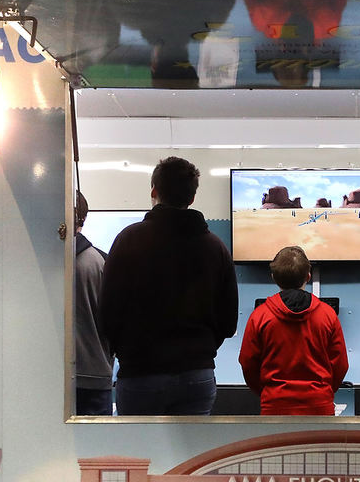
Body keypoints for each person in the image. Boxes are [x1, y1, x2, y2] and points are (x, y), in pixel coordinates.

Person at [99, 156, 239, 415]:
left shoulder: (128, 240)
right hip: (198, 374)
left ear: (154, 191)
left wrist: (125, 351)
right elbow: (229, 322)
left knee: (142, 453)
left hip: (139, 372)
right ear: (192, 198)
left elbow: (108, 311)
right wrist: (199, 351)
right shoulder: (215, 248)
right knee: (196, 456)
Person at [239, 246, 348, 415]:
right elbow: (340, 364)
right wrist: (323, 392)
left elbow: (248, 364)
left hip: (274, 406)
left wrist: (269, 392)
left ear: (274, 278)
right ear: (308, 277)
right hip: (320, 406)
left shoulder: (260, 316)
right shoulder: (328, 315)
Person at [72, 190, 114, 415]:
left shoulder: (39, 264)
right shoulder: (102, 262)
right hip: (95, 376)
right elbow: (115, 323)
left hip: (45, 378)